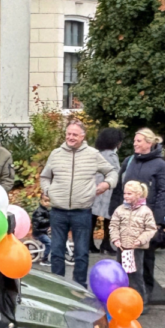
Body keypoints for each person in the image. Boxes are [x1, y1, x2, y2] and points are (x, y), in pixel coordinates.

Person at [39, 121, 118, 287]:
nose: (70, 137)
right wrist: (48, 191)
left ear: (83, 136)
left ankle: (80, 288)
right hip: (58, 211)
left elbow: (112, 172)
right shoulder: (56, 154)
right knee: (57, 252)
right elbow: (45, 176)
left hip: (82, 212)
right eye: (68, 134)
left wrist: (106, 184)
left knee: (82, 253)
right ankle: (58, 287)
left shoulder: (93, 154)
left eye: (75, 134)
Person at [109, 181, 158, 302]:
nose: (125, 196)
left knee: (136, 276)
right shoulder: (120, 209)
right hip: (122, 248)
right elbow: (113, 225)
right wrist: (115, 239)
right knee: (121, 274)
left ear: (138, 194)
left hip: (136, 249)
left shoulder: (145, 211)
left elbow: (151, 229)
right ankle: (121, 299)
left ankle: (140, 301)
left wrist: (140, 240)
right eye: (125, 193)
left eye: (129, 193)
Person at [91, 127, 123, 254]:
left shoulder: (96, 153)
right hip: (108, 191)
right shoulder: (111, 155)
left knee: (93, 217)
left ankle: (90, 244)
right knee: (109, 218)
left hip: (95, 188)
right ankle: (105, 243)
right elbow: (116, 173)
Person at [32, 195, 51, 266]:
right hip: (39, 232)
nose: (48, 203)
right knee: (49, 243)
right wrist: (50, 220)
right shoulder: (39, 211)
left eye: (49, 201)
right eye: (45, 201)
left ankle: (41, 248)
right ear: (41, 201)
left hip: (43, 230)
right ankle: (44, 260)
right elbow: (40, 221)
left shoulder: (46, 210)